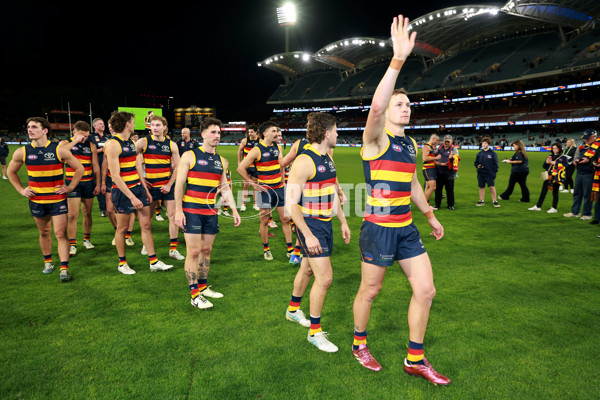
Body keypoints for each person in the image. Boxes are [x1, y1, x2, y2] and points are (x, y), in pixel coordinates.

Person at [350, 15, 449, 385]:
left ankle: (415, 358)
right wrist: (397, 60)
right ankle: (359, 344)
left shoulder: (409, 145)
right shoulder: (375, 141)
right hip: (378, 229)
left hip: (406, 229)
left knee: (426, 290)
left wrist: (430, 215)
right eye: (399, 105)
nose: (405, 108)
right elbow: (375, 110)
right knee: (370, 290)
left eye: (408, 105)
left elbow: (410, 184)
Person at [284, 112, 351, 352]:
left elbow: (332, 193)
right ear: (326, 133)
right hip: (309, 225)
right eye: (335, 130)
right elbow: (291, 203)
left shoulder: (328, 159)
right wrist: (307, 234)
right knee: (325, 278)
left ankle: (292, 310)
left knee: (307, 269)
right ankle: (314, 332)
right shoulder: (304, 161)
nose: (337, 134)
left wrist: (342, 221)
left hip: (325, 224)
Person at [174, 117, 241, 310]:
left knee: (206, 251)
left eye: (219, 132)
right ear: (203, 134)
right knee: (193, 252)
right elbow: (179, 185)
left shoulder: (221, 161)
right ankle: (194, 295)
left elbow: (225, 187)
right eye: (213, 132)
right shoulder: (190, 155)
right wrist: (178, 210)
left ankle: (203, 288)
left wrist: (235, 210)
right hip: (191, 211)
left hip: (211, 211)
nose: (217, 136)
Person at [7, 117, 84, 282]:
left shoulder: (59, 150)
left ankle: (64, 268)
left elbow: (79, 168)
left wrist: (70, 188)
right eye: (28, 127)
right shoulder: (22, 152)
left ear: (45, 131)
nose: (30, 130)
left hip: (57, 199)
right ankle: (48, 262)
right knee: (44, 232)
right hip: (37, 200)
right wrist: (21, 189)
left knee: (60, 233)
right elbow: (10, 172)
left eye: (34, 127)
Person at [104, 111, 173, 274]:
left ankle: (153, 261)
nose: (135, 125)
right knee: (122, 228)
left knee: (147, 225)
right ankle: (122, 264)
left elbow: (136, 168)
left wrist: (144, 189)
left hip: (137, 188)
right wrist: (132, 197)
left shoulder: (129, 142)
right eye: (133, 122)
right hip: (123, 192)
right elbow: (115, 176)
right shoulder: (113, 144)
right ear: (127, 124)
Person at [237, 121, 293, 261]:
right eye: (273, 131)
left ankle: (290, 250)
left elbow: (280, 163)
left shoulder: (277, 146)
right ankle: (266, 249)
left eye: (276, 131)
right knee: (264, 220)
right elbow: (240, 168)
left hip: (279, 189)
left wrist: (282, 177)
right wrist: (253, 184)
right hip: (265, 191)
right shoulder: (256, 150)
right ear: (265, 133)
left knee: (285, 219)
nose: (276, 133)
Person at [135, 115, 184, 261]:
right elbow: (129, 158)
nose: (154, 127)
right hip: (150, 187)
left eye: (157, 125)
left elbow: (179, 167)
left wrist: (169, 184)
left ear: (164, 127)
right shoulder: (143, 142)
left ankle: (173, 249)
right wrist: (140, 177)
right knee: (147, 219)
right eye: (152, 125)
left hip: (167, 187)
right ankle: (146, 244)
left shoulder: (171, 144)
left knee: (173, 217)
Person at [61, 121, 101, 256]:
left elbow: (96, 166)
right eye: (80, 136)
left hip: (88, 182)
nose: (83, 138)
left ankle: (87, 239)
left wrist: (98, 184)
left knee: (87, 213)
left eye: (85, 136)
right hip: (72, 183)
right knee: (72, 215)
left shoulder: (91, 145)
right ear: (74, 132)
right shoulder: (65, 143)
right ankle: (72, 244)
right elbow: (60, 153)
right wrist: (75, 141)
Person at [564, 129, 597, 220]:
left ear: (594, 137)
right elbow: (575, 158)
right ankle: (575, 212)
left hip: (590, 173)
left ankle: (587, 214)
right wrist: (576, 161)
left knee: (587, 194)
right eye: (585, 138)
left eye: (588, 138)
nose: (585, 140)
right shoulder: (581, 147)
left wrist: (589, 161)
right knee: (577, 193)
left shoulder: (598, 148)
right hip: (579, 172)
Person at [528, 143, 569, 213]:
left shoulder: (563, 157)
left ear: (559, 149)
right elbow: (544, 166)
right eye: (553, 148)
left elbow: (565, 166)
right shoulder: (550, 156)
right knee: (543, 191)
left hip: (556, 176)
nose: (554, 150)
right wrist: (547, 162)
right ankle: (538, 206)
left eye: (555, 148)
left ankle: (554, 208)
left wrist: (555, 163)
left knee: (555, 192)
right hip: (549, 176)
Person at [237, 125, 261, 212]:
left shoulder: (260, 141)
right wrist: (239, 162)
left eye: (251, 132)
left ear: (256, 132)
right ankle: (243, 204)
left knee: (255, 186)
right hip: (246, 167)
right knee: (245, 185)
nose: (250, 134)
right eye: (249, 132)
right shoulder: (245, 140)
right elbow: (239, 150)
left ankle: (255, 204)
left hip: (255, 167)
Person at [91, 118, 110, 216]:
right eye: (100, 124)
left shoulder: (107, 137)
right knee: (99, 186)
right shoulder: (92, 137)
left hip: (107, 165)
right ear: (95, 126)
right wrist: (102, 150)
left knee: (108, 186)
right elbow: (90, 152)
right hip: (96, 165)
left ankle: (110, 206)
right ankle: (103, 209)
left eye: (103, 124)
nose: (103, 125)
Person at [433, 135, 458, 210]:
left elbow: (457, 158)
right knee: (438, 189)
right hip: (439, 172)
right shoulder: (439, 148)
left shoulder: (454, 149)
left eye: (448, 141)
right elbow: (434, 157)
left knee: (450, 190)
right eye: (445, 141)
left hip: (449, 173)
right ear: (443, 141)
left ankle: (450, 205)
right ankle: (437, 204)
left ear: (451, 141)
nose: (446, 143)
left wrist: (452, 157)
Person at [474, 137, 500, 207]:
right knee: (481, 187)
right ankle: (481, 200)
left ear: (488, 144)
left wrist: (494, 173)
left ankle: (495, 201)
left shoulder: (493, 153)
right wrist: (478, 166)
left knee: (491, 187)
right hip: (480, 173)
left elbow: (496, 165)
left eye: (485, 143)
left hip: (490, 174)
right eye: (483, 143)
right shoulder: (479, 153)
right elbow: (476, 163)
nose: (483, 144)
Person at [421, 134, 440, 209]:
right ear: (433, 139)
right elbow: (424, 158)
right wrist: (436, 158)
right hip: (428, 169)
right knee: (433, 187)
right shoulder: (426, 147)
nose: (438, 142)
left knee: (428, 187)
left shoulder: (430, 147)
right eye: (437, 140)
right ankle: (424, 205)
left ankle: (426, 205)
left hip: (431, 168)